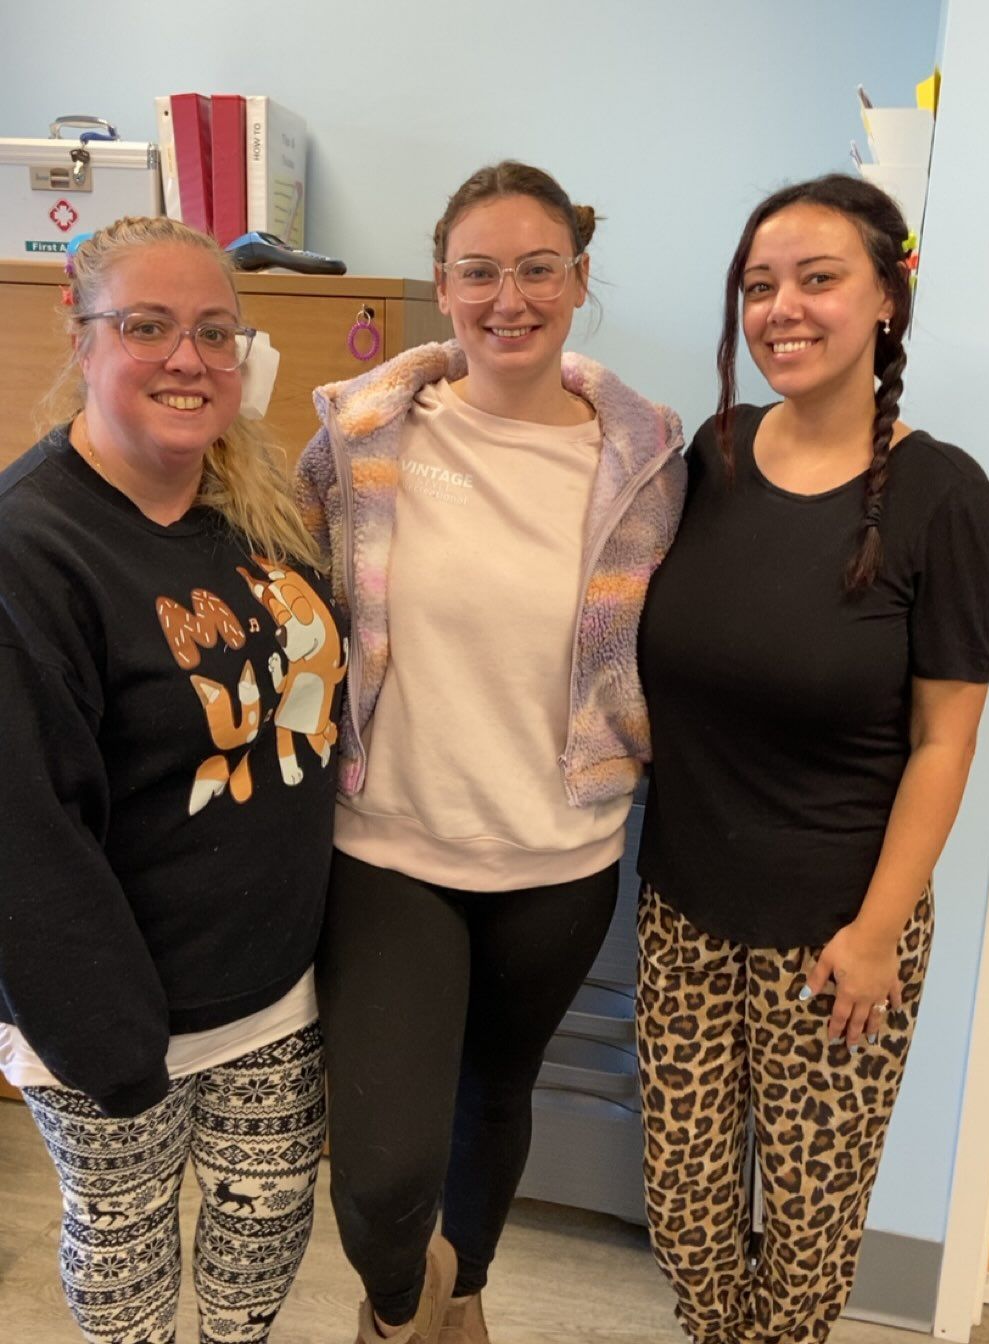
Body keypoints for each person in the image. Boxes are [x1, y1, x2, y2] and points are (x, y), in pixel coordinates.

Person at [296, 160, 686, 1344]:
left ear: (578, 278)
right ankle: (399, 1300)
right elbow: (286, 592)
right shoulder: (364, 437)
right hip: (390, 850)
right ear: (442, 281)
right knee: (381, 1174)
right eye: (479, 271)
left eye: (537, 268)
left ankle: (459, 1300)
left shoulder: (647, 462)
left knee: (495, 1097)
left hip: (559, 860)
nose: (507, 298)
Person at [636, 173, 989, 1342]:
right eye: (758, 286)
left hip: (840, 933)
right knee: (685, 1218)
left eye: (818, 278)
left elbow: (947, 737)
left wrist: (878, 932)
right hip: (684, 908)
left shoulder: (945, 496)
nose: (781, 308)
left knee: (805, 1240)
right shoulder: (713, 455)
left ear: (888, 297)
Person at [0, 216, 348, 1344]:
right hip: (111, 1016)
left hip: (273, 994)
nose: (187, 360)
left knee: (258, 1257)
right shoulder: (31, 547)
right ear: (81, 334)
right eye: (146, 327)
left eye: (213, 332)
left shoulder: (254, 509)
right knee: (128, 1260)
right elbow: (23, 834)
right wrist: (117, 1056)